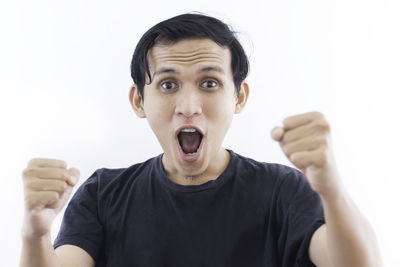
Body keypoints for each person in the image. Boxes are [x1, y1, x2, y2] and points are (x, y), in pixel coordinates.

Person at [20, 13, 383, 267]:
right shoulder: (102, 194)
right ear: (138, 101)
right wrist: (34, 233)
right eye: (168, 84)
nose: (188, 107)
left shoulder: (283, 190)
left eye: (209, 83)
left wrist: (332, 189)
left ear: (239, 97)